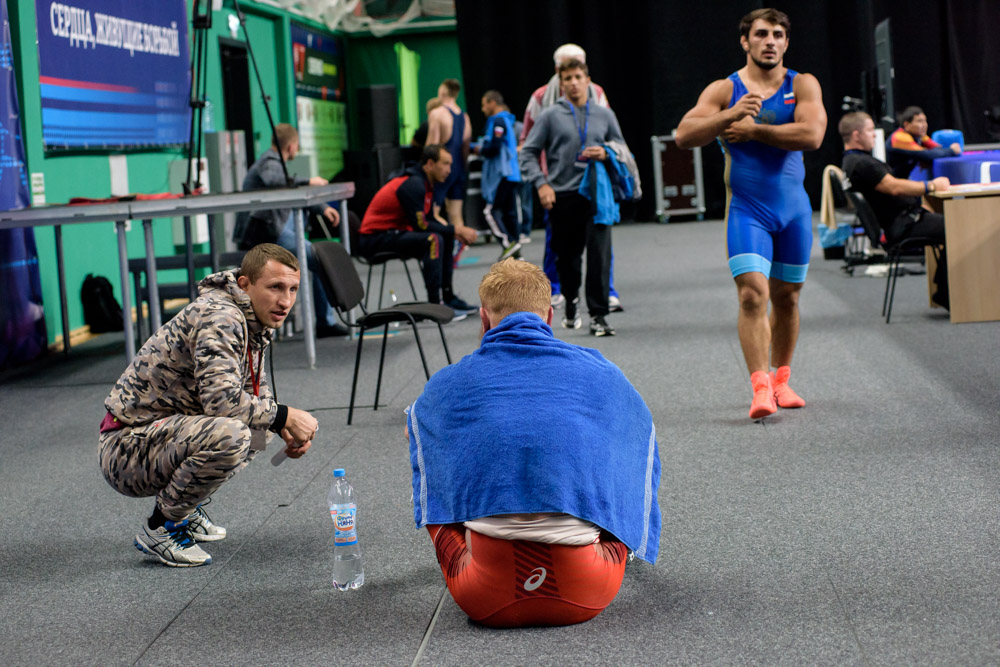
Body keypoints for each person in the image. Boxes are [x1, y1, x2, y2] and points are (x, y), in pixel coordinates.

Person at [406, 258, 661, 627]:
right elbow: (641, 438)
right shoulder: (601, 371)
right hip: (588, 590)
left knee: (426, 456)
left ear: (483, 319)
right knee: (617, 460)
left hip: (485, 597)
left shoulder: (450, 381)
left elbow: (416, 431)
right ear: (549, 318)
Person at [99, 244, 320, 568]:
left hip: (162, 434)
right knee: (233, 435)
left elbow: (251, 390)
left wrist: (283, 426)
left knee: (260, 432)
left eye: (292, 289)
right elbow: (223, 403)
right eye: (275, 287)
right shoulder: (221, 317)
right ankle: (162, 526)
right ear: (245, 284)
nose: (285, 300)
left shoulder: (250, 317)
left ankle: (184, 507)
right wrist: (284, 415)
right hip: (126, 447)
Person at [675, 8, 826, 420]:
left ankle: (781, 380)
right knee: (751, 294)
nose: (770, 41)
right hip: (748, 210)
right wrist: (731, 114)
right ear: (746, 42)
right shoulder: (726, 88)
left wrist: (755, 130)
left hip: (793, 211)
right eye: (761, 34)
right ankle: (760, 387)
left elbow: (812, 135)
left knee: (787, 298)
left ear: (786, 42)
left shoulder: (803, 83)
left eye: (778, 34)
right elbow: (685, 135)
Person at [520, 59, 625, 337]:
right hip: (562, 196)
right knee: (568, 257)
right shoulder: (550, 115)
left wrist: (606, 153)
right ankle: (571, 299)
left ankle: (599, 315)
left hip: (597, 194)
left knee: (600, 256)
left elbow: (622, 148)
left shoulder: (604, 115)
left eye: (579, 77)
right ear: (561, 83)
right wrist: (541, 184)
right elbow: (528, 151)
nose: (574, 83)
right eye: (568, 78)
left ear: (588, 80)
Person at [232, 123, 345, 337]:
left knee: (320, 259)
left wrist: (322, 207)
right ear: (292, 146)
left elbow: (290, 190)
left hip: (276, 230)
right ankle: (325, 322)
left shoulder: (274, 163)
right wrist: (310, 180)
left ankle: (325, 320)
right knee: (321, 259)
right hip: (266, 235)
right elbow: (277, 181)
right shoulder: (269, 162)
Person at [840, 111, 951, 306]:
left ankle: (946, 291)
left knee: (951, 224)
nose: (874, 134)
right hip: (902, 226)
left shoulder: (853, 161)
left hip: (904, 221)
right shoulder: (862, 164)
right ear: (856, 135)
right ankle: (948, 293)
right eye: (869, 130)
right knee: (958, 228)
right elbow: (894, 187)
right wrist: (930, 186)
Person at [358, 144, 478, 313]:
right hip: (374, 240)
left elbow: (427, 220)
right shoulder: (413, 184)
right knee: (433, 239)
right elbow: (421, 226)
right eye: (445, 164)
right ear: (429, 164)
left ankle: (448, 297)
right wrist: (457, 230)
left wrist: (452, 231)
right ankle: (436, 305)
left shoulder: (425, 184)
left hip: (393, 234)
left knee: (445, 236)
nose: (449, 170)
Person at [475, 90, 522, 260]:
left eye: (484, 104)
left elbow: (495, 146)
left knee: (490, 211)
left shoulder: (499, 121)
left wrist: (480, 149)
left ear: (493, 102)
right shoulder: (506, 120)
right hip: (512, 174)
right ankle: (516, 252)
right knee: (510, 213)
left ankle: (508, 242)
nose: (483, 108)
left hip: (504, 174)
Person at [426, 78, 474, 236]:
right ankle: (456, 254)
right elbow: (466, 146)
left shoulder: (437, 113)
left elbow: (431, 146)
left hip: (442, 170)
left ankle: (442, 250)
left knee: (434, 213)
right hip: (459, 168)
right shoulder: (465, 117)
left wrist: (425, 171)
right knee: (456, 216)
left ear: (443, 92)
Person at [886, 105, 961, 179]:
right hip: (892, 184)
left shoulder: (919, 136)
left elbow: (938, 149)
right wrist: (951, 150)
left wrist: (927, 158)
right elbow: (925, 154)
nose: (924, 125)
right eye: (919, 121)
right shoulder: (899, 137)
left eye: (925, 121)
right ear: (907, 125)